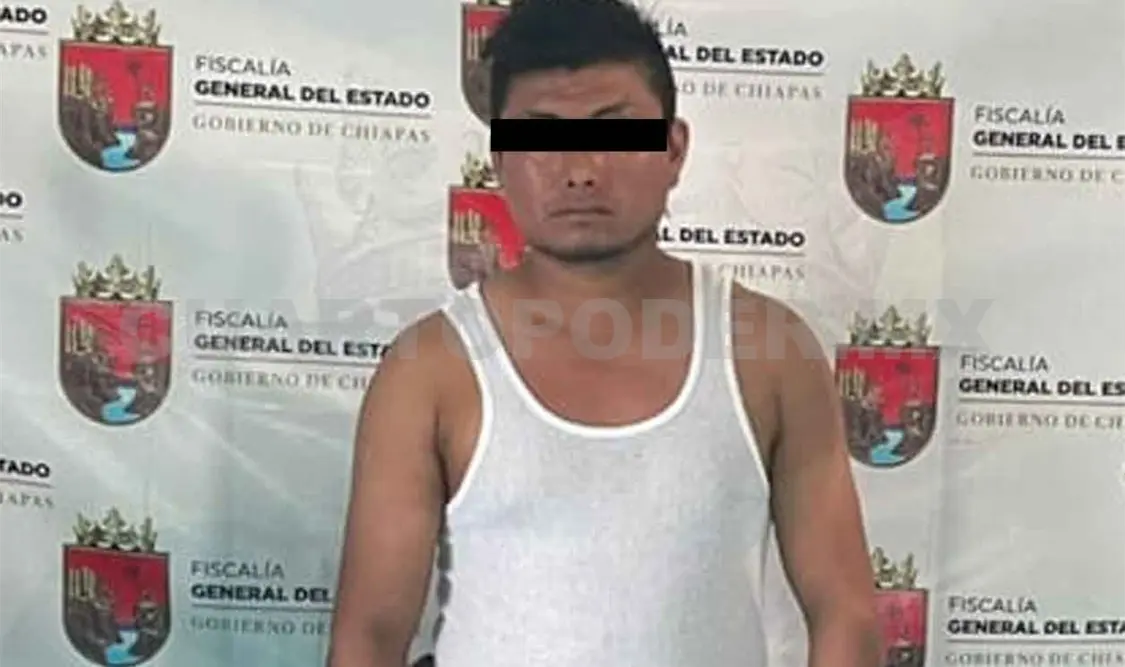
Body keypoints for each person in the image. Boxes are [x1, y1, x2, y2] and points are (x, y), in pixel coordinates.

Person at [325, 0, 879, 665]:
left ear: (674, 149)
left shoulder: (770, 352)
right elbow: (369, 636)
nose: (580, 169)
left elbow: (845, 611)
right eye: (540, 137)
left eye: (615, 132)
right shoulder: (430, 369)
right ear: (500, 158)